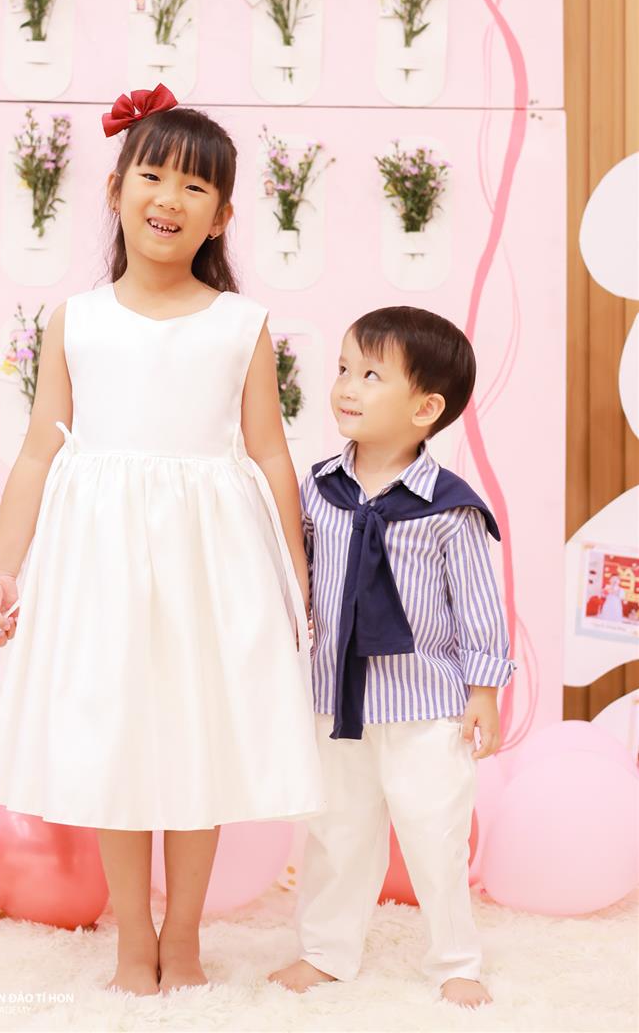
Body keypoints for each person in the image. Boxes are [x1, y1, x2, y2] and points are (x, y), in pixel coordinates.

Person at [0, 85, 323, 996]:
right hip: (100, 560)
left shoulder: (240, 324)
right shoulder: (75, 318)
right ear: (116, 190)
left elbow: (270, 454)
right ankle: (134, 939)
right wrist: (0, 564)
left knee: (196, 739)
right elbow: (40, 449)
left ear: (221, 217)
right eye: (153, 176)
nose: (170, 198)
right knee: (119, 741)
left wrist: (293, 575)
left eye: (195, 187)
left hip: (210, 558)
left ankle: (185, 936)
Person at [270, 306, 515, 1008]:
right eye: (344, 368)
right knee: (335, 833)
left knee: (436, 835)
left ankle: (455, 959)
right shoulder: (317, 490)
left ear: (425, 408)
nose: (347, 386)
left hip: (424, 704)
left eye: (372, 375)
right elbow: (295, 579)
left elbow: (476, 604)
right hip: (335, 699)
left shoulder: (449, 507)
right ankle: (326, 950)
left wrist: (483, 692)